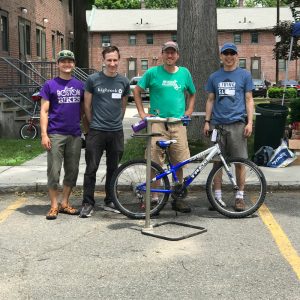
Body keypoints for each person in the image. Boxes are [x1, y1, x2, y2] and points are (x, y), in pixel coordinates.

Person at [134, 41, 196, 213]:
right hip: (157, 123)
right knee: (154, 161)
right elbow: (136, 91)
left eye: (173, 53)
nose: (170, 56)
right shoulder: (153, 73)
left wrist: (189, 111)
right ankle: (154, 197)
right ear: (162, 54)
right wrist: (142, 112)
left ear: (177, 55)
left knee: (180, 161)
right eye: (167, 52)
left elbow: (192, 93)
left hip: (178, 124)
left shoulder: (184, 73)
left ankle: (179, 197)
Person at [79, 46, 130, 218]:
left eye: (115, 60)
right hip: (96, 131)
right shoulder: (93, 80)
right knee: (91, 168)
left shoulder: (123, 82)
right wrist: (93, 124)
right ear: (103, 61)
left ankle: (110, 200)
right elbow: (86, 105)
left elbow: (123, 106)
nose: (112, 63)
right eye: (109, 60)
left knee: (113, 169)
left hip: (116, 132)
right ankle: (87, 203)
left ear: (119, 59)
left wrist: (117, 121)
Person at [203, 42, 254, 211]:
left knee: (240, 162)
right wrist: (207, 121)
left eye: (232, 54)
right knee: (217, 162)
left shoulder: (244, 75)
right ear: (221, 56)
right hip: (218, 125)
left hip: (237, 124)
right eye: (226, 54)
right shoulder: (214, 77)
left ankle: (239, 196)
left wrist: (250, 122)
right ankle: (217, 197)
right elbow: (210, 100)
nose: (229, 57)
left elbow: (248, 99)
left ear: (237, 56)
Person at [40, 50, 85, 220]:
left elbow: (82, 110)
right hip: (55, 133)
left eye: (70, 61)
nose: (67, 64)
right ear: (58, 64)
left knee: (72, 170)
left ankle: (65, 202)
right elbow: (44, 111)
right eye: (63, 61)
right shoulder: (50, 85)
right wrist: (44, 135)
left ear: (73, 64)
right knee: (54, 171)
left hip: (74, 134)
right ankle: (53, 205)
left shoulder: (80, 85)